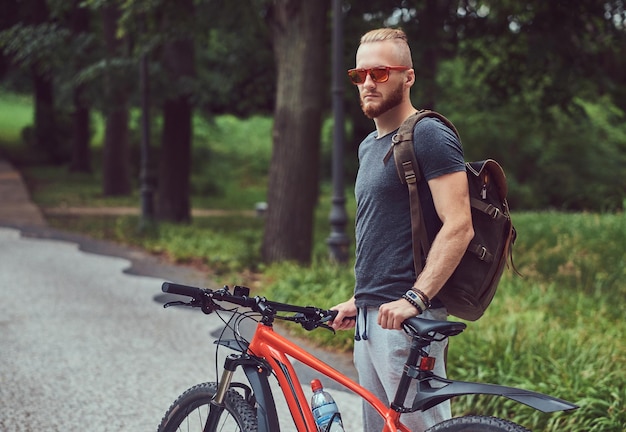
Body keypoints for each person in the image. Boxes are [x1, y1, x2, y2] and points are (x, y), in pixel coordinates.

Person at [329, 28, 474, 431]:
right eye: (359, 76)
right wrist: (361, 299)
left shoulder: (428, 134)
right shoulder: (369, 146)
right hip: (372, 318)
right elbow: (386, 234)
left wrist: (416, 297)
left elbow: (459, 225)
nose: (368, 84)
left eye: (380, 72)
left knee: (422, 427)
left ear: (407, 77)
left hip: (408, 321)